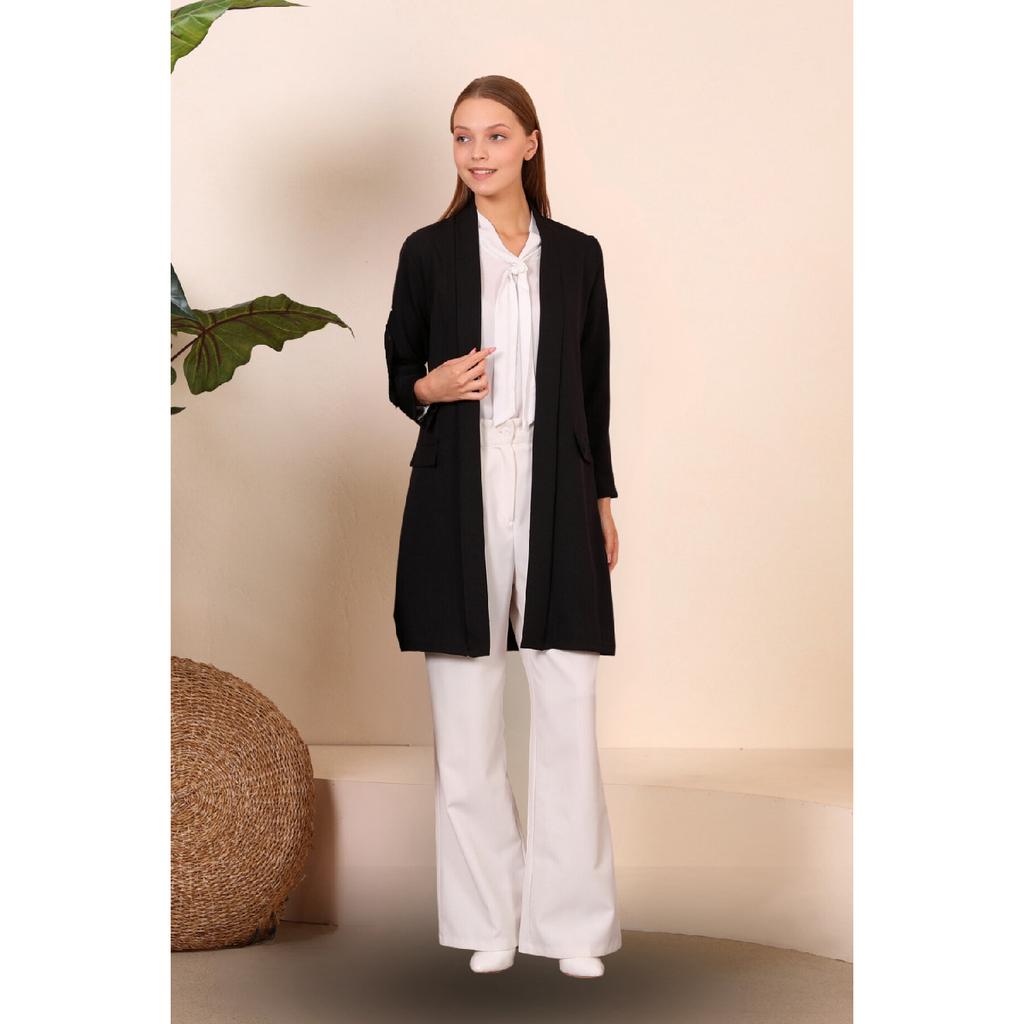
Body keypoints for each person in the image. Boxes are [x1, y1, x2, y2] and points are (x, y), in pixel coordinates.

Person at [384, 75, 621, 979]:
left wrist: (602, 500)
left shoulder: (578, 255)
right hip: (460, 485)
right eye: (461, 137)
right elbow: (401, 367)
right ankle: (488, 919)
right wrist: (432, 386)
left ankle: (571, 927)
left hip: (557, 484)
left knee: (567, 701)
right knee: (467, 708)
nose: (476, 152)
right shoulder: (428, 252)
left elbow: (592, 388)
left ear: (530, 142)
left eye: (493, 135)